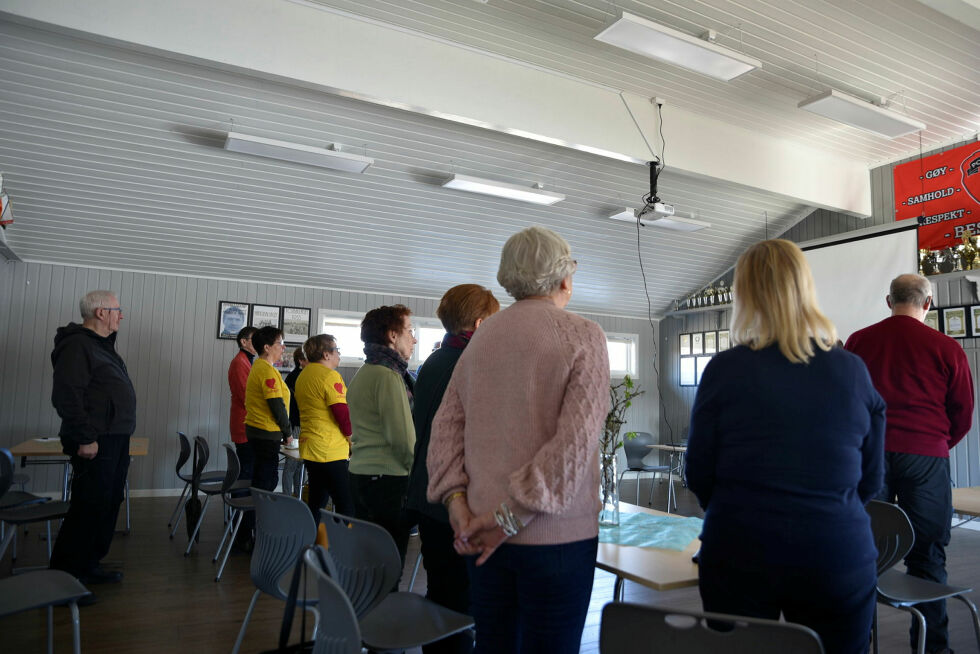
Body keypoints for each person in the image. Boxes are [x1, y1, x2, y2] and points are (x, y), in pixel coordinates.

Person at [684, 239, 885, 654]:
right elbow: (871, 479)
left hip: (740, 547)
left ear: (745, 294)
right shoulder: (852, 370)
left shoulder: (724, 370)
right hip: (836, 550)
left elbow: (698, 472)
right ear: (806, 287)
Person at [427, 226, 609, 654]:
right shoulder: (583, 335)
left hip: (477, 535)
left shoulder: (480, 338)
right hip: (554, 543)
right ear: (565, 276)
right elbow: (575, 448)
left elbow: (445, 430)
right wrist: (507, 520)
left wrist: (459, 508)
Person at [846, 273, 974, 654]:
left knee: (863, 554)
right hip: (927, 457)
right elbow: (963, 411)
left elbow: (850, 399)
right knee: (929, 556)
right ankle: (933, 648)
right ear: (929, 304)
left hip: (871, 456)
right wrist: (935, 443)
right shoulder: (947, 347)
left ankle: (859, 644)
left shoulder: (859, 341)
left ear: (889, 301)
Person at [405, 284, 500, 654]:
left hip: (429, 494)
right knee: (462, 606)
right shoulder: (471, 363)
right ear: (479, 322)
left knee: (443, 597)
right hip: (455, 501)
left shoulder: (435, 359)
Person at [49, 290, 137, 587]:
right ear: (101, 313)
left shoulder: (102, 345)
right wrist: (85, 437)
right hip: (96, 440)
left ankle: (88, 566)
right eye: (117, 309)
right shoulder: (77, 345)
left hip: (114, 438)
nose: (121, 315)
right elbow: (67, 395)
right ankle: (65, 579)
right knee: (88, 506)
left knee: (107, 502)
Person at [347, 304, 417, 566]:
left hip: (364, 475)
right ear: (392, 335)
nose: (414, 337)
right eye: (409, 330)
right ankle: (384, 608)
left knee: (371, 562)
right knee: (388, 567)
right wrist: (422, 476)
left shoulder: (366, 371)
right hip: (387, 481)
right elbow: (403, 441)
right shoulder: (388, 375)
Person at [296, 334, 354, 520]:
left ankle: (312, 543)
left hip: (310, 447)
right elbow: (342, 414)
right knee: (347, 505)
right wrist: (352, 439)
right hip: (331, 451)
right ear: (326, 354)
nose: (338, 354)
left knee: (317, 502)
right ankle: (346, 545)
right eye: (336, 350)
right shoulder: (330, 376)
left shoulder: (303, 375)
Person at [244, 326, 291, 492]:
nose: (283, 347)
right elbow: (276, 405)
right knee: (266, 482)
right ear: (267, 347)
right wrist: (288, 432)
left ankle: (256, 517)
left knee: (263, 479)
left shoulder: (261, 367)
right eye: (280, 343)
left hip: (259, 432)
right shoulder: (266, 370)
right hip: (265, 433)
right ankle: (259, 517)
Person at [228, 326, 258, 481]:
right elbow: (245, 396)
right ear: (244, 342)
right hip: (243, 423)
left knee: (249, 468)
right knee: (246, 470)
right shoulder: (240, 362)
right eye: (255, 339)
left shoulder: (247, 361)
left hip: (247, 421)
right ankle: (240, 504)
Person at [282, 347, 307, 498]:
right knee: (292, 464)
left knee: (299, 465)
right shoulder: (296, 376)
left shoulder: (298, 375)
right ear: (301, 361)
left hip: (300, 423)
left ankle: (297, 496)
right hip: (297, 424)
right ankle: (287, 497)